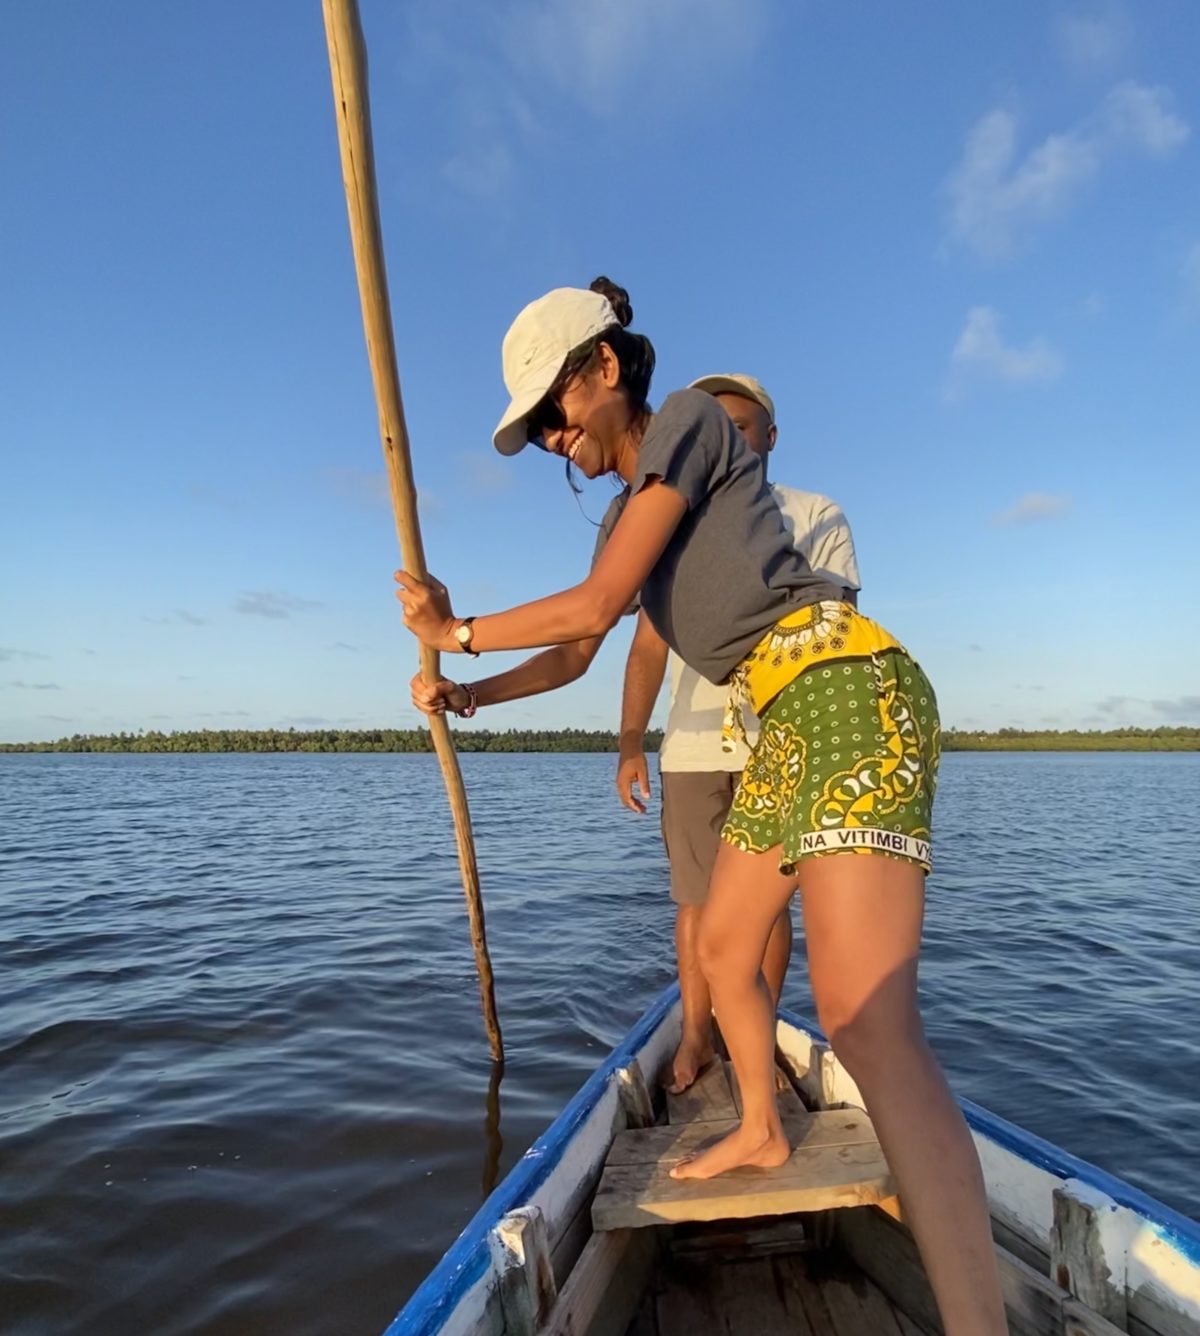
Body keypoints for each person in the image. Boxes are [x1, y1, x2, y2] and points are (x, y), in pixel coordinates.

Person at [400, 278, 1006, 1335]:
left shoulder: (682, 415)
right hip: (782, 719)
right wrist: (467, 693)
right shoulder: (628, 516)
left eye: (553, 409)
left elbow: (591, 607)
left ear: (603, 370)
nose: (550, 437)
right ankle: (764, 1128)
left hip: (848, 691)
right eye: (532, 427)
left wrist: (457, 630)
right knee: (725, 953)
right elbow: (583, 650)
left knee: (873, 1030)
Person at [615, 372, 861, 1096]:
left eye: (741, 425)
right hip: (692, 745)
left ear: (768, 438)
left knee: (764, 906)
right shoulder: (669, 513)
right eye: (711, 423)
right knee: (696, 901)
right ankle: (696, 1036)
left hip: (778, 736)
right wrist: (630, 742)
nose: (725, 435)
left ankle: (756, 1041)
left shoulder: (815, 514)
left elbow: (832, 619)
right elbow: (646, 646)